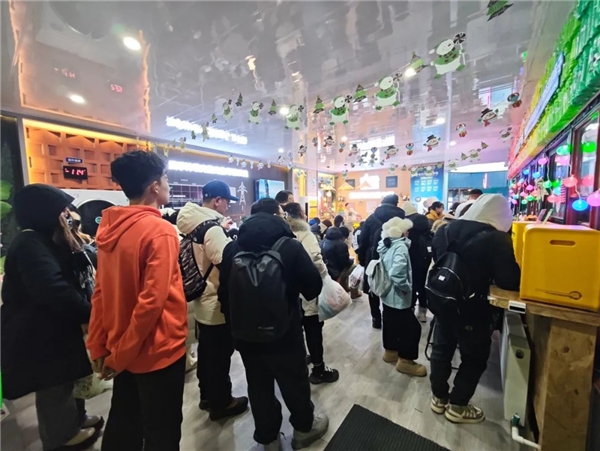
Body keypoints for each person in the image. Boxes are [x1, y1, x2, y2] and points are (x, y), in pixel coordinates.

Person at [87, 150, 188, 451]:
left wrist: (100, 346)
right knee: (162, 431)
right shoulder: (160, 230)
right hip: (158, 349)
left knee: (124, 424)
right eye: (166, 178)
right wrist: (120, 355)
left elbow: (100, 292)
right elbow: (152, 303)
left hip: (122, 344)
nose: (168, 184)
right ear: (154, 186)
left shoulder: (108, 227)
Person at [218, 198, 328, 450]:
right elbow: (313, 288)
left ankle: (269, 439)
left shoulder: (232, 248)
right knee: (294, 381)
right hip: (285, 331)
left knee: (258, 385)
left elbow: (224, 293)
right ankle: (304, 429)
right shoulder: (290, 246)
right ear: (277, 216)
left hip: (245, 333)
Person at [1, 184, 102, 451]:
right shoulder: (30, 244)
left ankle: (75, 419)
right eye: (62, 210)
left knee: (68, 376)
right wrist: (89, 312)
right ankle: (61, 437)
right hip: (39, 331)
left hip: (55, 326)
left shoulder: (45, 240)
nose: (67, 214)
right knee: (54, 383)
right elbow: (53, 289)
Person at [429, 194, 521, 424]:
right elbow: (509, 280)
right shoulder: (497, 239)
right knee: (474, 357)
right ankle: (458, 406)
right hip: (472, 308)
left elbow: (440, 261)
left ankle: (439, 397)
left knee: (441, 350)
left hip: (443, 300)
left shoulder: (444, 230)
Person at [176, 180, 248, 420]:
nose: (228, 206)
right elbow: (227, 264)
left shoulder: (189, 224)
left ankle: (207, 396)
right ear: (217, 200)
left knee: (207, 354)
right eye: (227, 202)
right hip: (215, 301)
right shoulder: (212, 229)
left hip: (200, 299)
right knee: (219, 356)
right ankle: (222, 403)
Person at [283, 202, 339, 384]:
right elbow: (315, 259)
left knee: (295, 328)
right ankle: (319, 369)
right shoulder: (305, 234)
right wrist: (325, 277)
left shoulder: (281, 233)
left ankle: (298, 360)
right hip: (307, 290)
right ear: (301, 214)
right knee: (313, 329)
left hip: (287, 290)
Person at [377, 217, 427, 377]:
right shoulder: (401, 247)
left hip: (386, 293)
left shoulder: (385, 245)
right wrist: (406, 288)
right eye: (406, 229)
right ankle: (406, 361)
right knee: (412, 328)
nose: (408, 232)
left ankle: (390, 352)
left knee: (390, 321)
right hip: (398, 294)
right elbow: (397, 273)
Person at [356, 194, 405, 329]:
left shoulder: (372, 218)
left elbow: (363, 240)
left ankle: (376, 318)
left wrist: (362, 258)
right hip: (394, 257)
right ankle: (389, 318)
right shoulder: (401, 218)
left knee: (374, 287)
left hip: (373, 258)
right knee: (392, 287)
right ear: (396, 203)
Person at [160, 208, 198, 373]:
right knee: (185, 332)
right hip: (183, 290)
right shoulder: (179, 236)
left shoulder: (164, 234)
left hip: (173, 290)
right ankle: (187, 360)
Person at [402, 202, 432, 323]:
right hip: (425, 257)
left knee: (412, 285)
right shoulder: (425, 220)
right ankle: (423, 311)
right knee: (423, 285)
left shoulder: (406, 224)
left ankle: (411, 308)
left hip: (411, 258)